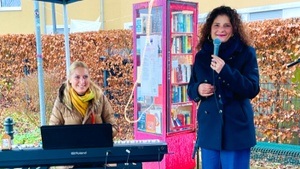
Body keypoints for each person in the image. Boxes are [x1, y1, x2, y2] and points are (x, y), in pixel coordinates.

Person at [188, 6, 260, 169]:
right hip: (209, 130)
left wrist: (226, 71)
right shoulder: (201, 56)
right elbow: (191, 88)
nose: (221, 29)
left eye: (226, 25)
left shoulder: (246, 53)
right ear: (210, 29)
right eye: (217, 25)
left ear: (234, 29)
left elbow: (252, 88)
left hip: (236, 131)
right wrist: (199, 89)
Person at [49, 61, 118, 138]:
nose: (82, 81)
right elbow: (52, 132)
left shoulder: (100, 98)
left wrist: (100, 136)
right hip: (72, 149)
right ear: (70, 80)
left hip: (96, 148)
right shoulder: (61, 101)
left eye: (85, 77)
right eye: (77, 77)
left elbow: (113, 126)